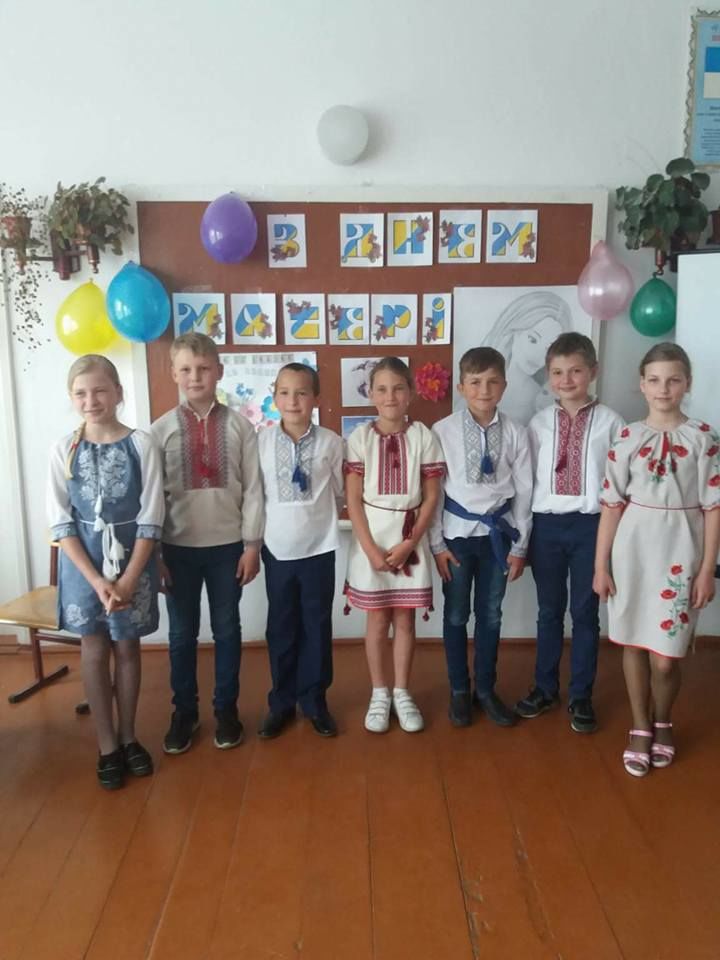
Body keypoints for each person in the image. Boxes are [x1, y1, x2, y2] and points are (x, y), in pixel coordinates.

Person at [593, 343, 720, 777]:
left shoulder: (704, 438)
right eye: (654, 380)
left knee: (666, 655)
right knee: (632, 640)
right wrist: (601, 565)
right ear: (641, 384)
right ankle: (641, 725)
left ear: (687, 384)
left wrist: (707, 569)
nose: (663, 388)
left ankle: (664, 718)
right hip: (633, 549)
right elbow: (611, 504)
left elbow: (714, 507)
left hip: (681, 551)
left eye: (673, 380)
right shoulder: (627, 437)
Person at [47, 355, 164, 790]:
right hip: (84, 564)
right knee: (94, 648)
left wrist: (130, 578)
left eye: (100, 390)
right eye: (81, 393)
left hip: (134, 559)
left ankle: (129, 736)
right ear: (71, 398)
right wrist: (96, 580)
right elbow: (60, 522)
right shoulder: (64, 449)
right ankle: (106, 744)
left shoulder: (141, 445)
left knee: (127, 646)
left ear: (118, 392)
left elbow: (152, 514)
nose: (91, 400)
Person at [152, 332, 264, 755]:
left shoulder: (240, 427)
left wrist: (252, 545)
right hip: (176, 550)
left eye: (203, 368)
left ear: (219, 370)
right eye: (186, 369)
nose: (195, 376)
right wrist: (155, 553)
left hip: (227, 548)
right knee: (181, 635)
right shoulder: (160, 431)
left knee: (227, 630)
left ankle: (226, 711)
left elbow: (253, 489)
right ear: (173, 373)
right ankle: (184, 713)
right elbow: (152, 498)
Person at [515, 333, 624, 733]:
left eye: (575, 371)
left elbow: (619, 484)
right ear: (549, 374)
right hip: (546, 525)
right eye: (558, 372)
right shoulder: (539, 423)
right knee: (548, 611)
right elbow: (526, 480)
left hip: (590, 527)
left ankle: (581, 695)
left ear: (593, 372)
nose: (566, 380)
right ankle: (545, 688)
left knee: (584, 613)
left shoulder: (612, 422)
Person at [430, 347, 533, 728]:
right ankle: (459, 689)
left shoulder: (517, 432)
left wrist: (520, 544)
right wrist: (437, 544)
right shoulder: (442, 431)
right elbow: (433, 492)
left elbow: (525, 491)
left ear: (504, 386)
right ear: (461, 387)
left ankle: (486, 689)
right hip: (456, 537)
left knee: (490, 614)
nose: (484, 390)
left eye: (492, 382)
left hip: (498, 538)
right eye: (475, 382)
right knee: (456, 614)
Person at [344, 357, 444, 734]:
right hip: (370, 540)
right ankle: (379, 692)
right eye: (382, 389)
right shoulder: (360, 438)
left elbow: (431, 497)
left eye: (398, 388)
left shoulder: (423, 437)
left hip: (409, 538)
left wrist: (410, 543)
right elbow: (353, 501)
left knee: (404, 618)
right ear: (370, 394)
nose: (390, 396)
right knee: (377, 618)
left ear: (411, 393)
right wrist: (371, 551)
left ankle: (402, 691)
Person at [256, 363, 344, 739]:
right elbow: (254, 496)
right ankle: (281, 702)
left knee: (317, 626)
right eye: (285, 393)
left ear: (316, 398)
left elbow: (340, 492)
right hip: (277, 550)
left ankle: (315, 700)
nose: (293, 401)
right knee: (281, 627)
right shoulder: (259, 443)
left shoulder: (331, 443)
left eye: (302, 392)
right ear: (275, 397)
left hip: (319, 548)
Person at [482, 291, 572, 424]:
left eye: (549, 348)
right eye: (532, 339)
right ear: (514, 332)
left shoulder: (545, 403)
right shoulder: (480, 390)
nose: (538, 355)